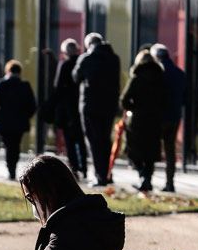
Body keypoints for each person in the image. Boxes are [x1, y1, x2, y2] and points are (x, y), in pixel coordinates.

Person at [73, 33, 121, 187]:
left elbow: (76, 76)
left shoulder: (86, 58)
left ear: (89, 45)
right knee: (105, 140)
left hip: (90, 105)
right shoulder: (114, 59)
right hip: (109, 106)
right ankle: (106, 174)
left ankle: (99, 176)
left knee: (94, 141)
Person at [120, 50, 166, 192]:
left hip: (138, 119)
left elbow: (124, 99)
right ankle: (147, 179)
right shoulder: (161, 77)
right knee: (151, 151)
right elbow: (165, 98)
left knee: (134, 150)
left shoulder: (136, 77)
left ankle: (143, 176)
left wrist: (132, 108)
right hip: (155, 118)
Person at [0, 60, 37, 180]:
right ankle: (13, 166)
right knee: (16, 145)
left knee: (8, 145)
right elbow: (32, 105)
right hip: (19, 122)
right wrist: (26, 116)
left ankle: (11, 169)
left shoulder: (1, 84)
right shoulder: (25, 85)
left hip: (4, 122)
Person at [150, 43, 187, 192]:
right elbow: (185, 98)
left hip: (159, 116)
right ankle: (170, 182)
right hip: (174, 116)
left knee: (152, 148)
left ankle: (148, 180)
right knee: (170, 150)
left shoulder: (157, 73)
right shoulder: (180, 73)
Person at [51, 39, 86, 179]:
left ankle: (74, 168)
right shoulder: (82, 63)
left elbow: (58, 87)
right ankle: (84, 166)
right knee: (81, 139)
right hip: (81, 106)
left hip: (68, 109)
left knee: (70, 142)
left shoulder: (64, 65)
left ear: (65, 52)